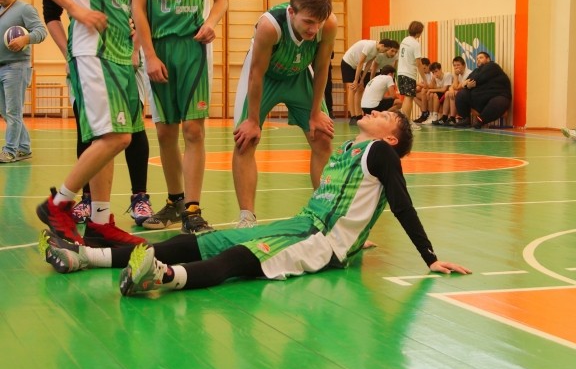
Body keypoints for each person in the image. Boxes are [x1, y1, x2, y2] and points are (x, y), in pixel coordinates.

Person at [39, 110, 471, 296]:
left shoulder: (382, 154)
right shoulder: (350, 149)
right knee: (204, 242)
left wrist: (429, 257)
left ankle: (163, 278)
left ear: (391, 139)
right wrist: (357, 239)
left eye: (385, 117)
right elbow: (360, 204)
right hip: (301, 225)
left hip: (318, 241)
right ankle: (86, 257)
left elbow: (401, 204)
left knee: (239, 258)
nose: (375, 113)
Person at [19, 0, 155, 246]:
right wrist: (74, 8)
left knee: (111, 138)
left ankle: (99, 221)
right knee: (117, 137)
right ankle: (59, 204)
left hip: (118, 58)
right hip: (93, 54)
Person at [131, 0, 227, 234]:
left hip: (193, 49)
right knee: (165, 130)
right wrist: (149, 54)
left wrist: (211, 22)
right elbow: (137, 7)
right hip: (159, 48)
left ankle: (193, 209)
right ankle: (175, 201)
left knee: (194, 130)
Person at [232, 0, 337, 228]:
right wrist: (252, 120)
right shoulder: (270, 26)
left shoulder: (328, 24)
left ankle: (326, 216)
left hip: (298, 76)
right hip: (265, 77)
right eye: (308, 22)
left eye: (318, 23)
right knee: (246, 140)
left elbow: (322, 67)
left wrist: (315, 113)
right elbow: (256, 74)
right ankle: (247, 218)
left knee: (322, 136)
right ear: (291, 12)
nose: (313, 29)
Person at [0, 0, 47, 163]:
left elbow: (41, 31)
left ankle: (9, 151)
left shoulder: (25, 9)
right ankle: (24, 148)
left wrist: (25, 39)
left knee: (13, 112)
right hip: (1, 66)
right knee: (6, 112)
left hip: (16, 67)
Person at [341, 39, 399, 124]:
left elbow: (368, 64)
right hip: (348, 63)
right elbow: (361, 63)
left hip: (357, 66)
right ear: (382, 46)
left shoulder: (378, 51)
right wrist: (356, 80)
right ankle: (353, 117)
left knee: (360, 88)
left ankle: (358, 115)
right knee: (352, 88)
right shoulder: (369, 46)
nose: (385, 52)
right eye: (386, 50)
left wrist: (362, 80)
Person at [452, 51, 511, 128]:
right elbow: (466, 82)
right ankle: (465, 119)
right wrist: (467, 85)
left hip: (496, 95)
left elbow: (478, 78)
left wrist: (466, 83)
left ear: (488, 59)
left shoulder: (492, 66)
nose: (478, 60)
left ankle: (480, 121)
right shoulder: (476, 70)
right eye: (477, 59)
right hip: (480, 99)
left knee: (499, 101)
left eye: (481, 57)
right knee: (462, 94)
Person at [397, 21, 428, 131]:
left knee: (407, 98)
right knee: (409, 98)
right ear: (419, 32)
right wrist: (425, 80)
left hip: (400, 73)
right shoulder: (415, 44)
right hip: (409, 74)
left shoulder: (404, 40)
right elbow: (419, 64)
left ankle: (404, 122)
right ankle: (406, 123)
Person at [432, 56, 467, 126]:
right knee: (448, 92)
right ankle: (445, 117)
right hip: (460, 94)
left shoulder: (467, 74)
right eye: (454, 65)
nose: (456, 67)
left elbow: (456, 87)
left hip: (468, 95)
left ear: (464, 65)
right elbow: (453, 86)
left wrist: (456, 76)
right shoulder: (459, 74)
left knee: (452, 92)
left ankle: (452, 118)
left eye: (458, 65)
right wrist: (451, 88)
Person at [413, 58, 432, 123]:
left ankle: (424, 113)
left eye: (424, 68)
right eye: (422, 69)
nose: (423, 71)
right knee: (412, 94)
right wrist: (413, 89)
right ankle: (425, 111)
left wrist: (417, 83)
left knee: (423, 91)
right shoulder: (425, 75)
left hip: (432, 91)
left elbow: (428, 86)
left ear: (429, 65)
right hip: (427, 91)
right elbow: (420, 86)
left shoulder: (432, 73)